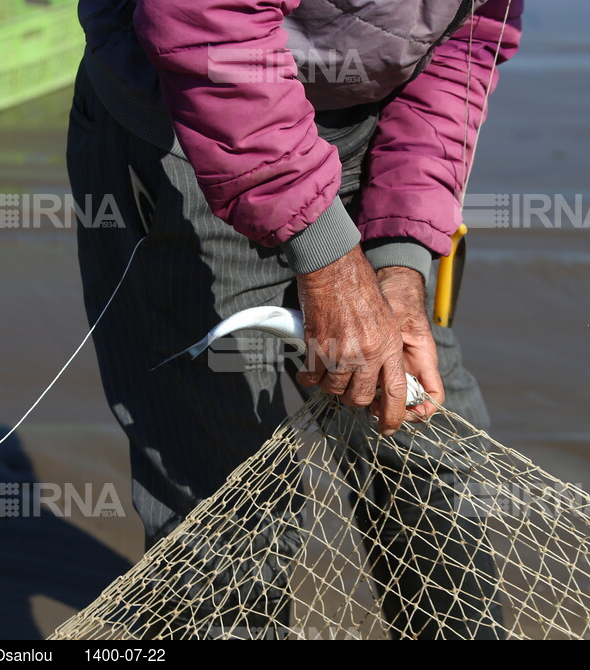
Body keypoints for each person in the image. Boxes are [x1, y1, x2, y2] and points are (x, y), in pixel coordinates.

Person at [69, 0, 523, 639]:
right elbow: (207, 22)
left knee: (428, 453)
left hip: (373, 129)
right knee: (223, 507)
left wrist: (400, 259)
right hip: (185, 121)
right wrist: (327, 257)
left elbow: (468, 44)